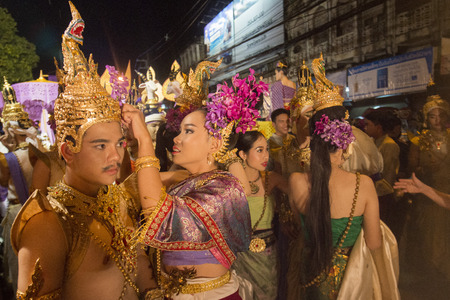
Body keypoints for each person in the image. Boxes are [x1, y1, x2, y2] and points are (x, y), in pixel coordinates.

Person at [11, 3, 155, 298]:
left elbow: (139, 262)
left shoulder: (119, 199)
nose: (115, 157)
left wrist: (153, 293)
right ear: (67, 150)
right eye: (100, 146)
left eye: (118, 143)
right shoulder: (48, 223)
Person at [124, 69, 266, 299]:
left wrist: (144, 140)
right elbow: (130, 190)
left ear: (214, 144)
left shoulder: (224, 187)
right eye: (179, 131)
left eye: (188, 131)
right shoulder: (187, 182)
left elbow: (156, 213)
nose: (177, 139)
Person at [289, 55, 399, 299]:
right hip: (349, 282)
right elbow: (373, 243)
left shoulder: (296, 180)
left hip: (310, 276)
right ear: (346, 145)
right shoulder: (364, 185)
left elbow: (300, 226)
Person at [231, 131, 288, 300]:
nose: (266, 156)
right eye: (259, 150)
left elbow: (300, 196)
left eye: (267, 149)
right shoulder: (230, 183)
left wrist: (288, 218)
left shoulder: (271, 179)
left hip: (267, 254)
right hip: (238, 254)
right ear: (242, 154)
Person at [406, 82, 450, 280]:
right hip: (428, 194)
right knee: (431, 239)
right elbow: (411, 167)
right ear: (426, 118)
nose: (437, 120)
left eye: (441, 115)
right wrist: (422, 170)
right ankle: (432, 275)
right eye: (433, 116)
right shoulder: (418, 140)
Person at [0, 77, 37, 294]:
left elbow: (3, 184)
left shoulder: (6, 160)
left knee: (17, 263)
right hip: (39, 209)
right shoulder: (40, 152)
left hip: (17, 211)